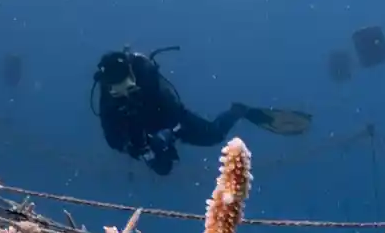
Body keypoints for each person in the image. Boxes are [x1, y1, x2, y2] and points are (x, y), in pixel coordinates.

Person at [91, 47, 310, 177]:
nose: (123, 93)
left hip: (168, 118)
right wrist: (133, 148)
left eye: (127, 87)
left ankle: (239, 111)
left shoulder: (147, 76)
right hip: (138, 128)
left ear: (132, 74)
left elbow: (173, 109)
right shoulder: (108, 99)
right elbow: (111, 136)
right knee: (163, 169)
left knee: (214, 134)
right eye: (116, 90)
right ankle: (156, 151)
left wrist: (170, 133)